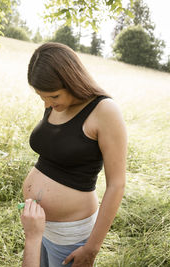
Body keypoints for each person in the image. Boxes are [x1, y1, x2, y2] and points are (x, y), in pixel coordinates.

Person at [23, 42, 127, 267]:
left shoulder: (105, 111)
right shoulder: (54, 105)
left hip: (71, 236)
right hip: (40, 228)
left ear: (72, 81)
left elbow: (116, 185)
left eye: (54, 96)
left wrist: (92, 248)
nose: (48, 104)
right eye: (42, 98)